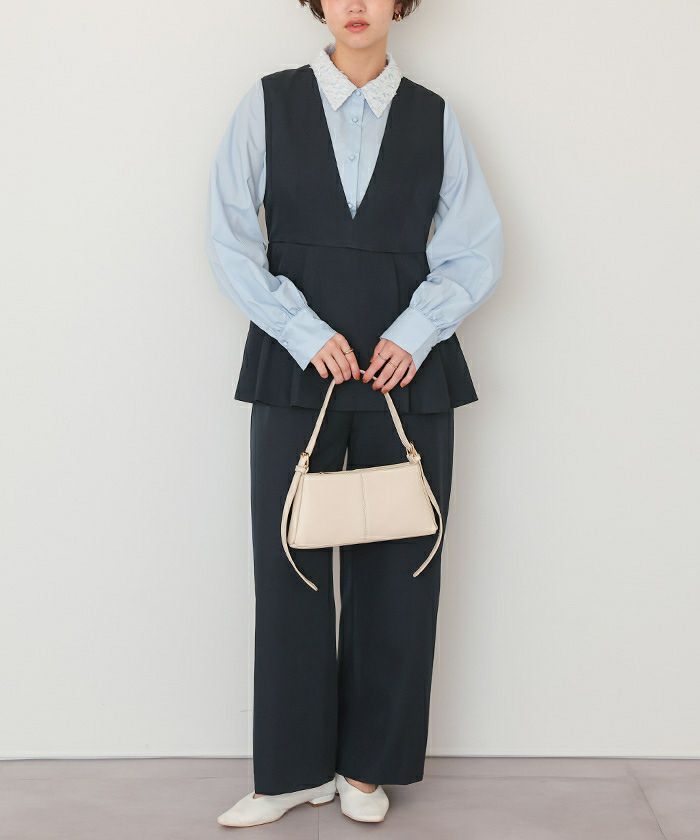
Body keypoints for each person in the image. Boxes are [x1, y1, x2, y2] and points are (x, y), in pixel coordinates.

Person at [206, 0, 504, 827]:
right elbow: (229, 237)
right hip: (296, 367)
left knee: (401, 569)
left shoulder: (436, 117)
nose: (357, 5)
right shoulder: (268, 102)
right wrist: (304, 333)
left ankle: (367, 769)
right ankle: (292, 771)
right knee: (290, 568)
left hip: (407, 371)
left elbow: (476, 246)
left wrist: (416, 331)